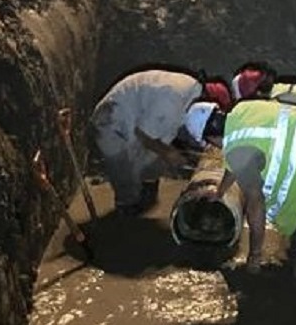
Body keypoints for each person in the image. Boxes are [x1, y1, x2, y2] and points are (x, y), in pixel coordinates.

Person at [183, 98, 296, 278]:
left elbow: (256, 206)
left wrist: (254, 256)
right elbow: (237, 159)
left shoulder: (238, 150)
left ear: (210, 139)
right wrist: (220, 192)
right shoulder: (243, 110)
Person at [91, 67, 232, 215]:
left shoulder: (190, 95)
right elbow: (143, 134)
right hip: (113, 118)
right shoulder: (173, 99)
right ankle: (127, 205)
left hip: (139, 117)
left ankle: (147, 188)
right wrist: (167, 152)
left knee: (152, 158)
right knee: (122, 168)